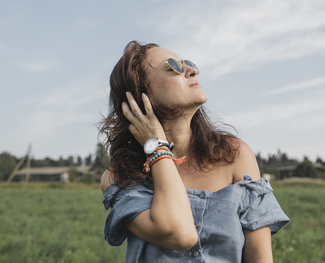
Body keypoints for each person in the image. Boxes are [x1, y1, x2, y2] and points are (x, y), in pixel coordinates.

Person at [99, 41, 289, 263]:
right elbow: (180, 234)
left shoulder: (234, 156)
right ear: (141, 95)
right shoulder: (121, 177)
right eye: (172, 67)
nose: (192, 71)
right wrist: (158, 146)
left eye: (187, 64)